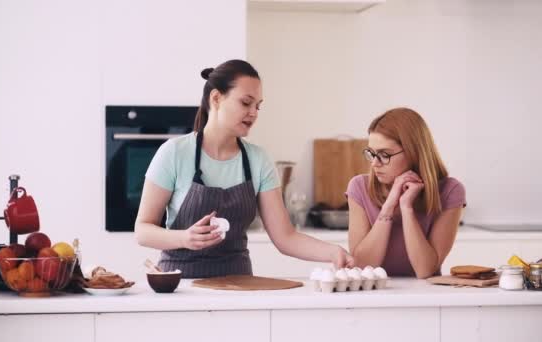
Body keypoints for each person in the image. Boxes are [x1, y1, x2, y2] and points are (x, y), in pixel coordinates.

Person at [135, 59, 354, 278]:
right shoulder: (174, 152)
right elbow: (143, 231)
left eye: (258, 106)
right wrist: (184, 238)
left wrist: (333, 251)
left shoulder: (258, 160)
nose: (254, 113)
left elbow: (286, 237)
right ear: (216, 98)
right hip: (179, 285)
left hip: (239, 288)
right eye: (246, 103)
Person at [346, 107, 465, 279]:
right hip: (372, 294)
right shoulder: (359, 187)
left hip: (424, 296)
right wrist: (388, 207)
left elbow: (425, 270)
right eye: (372, 154)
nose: (375, 164)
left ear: (413, 152)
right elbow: (362, 267)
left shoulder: (450, 191)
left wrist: (406, 208)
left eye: (384, 154)